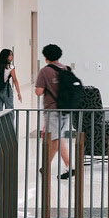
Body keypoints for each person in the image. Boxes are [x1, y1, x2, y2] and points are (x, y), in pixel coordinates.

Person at [35, 43, 78, 182]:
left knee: (57, 139)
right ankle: (45, 167)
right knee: (55, 138)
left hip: (52, 109)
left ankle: (70, 166)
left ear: (46, 57)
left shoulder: (45, 71)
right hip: (65, 109)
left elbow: (39, 91)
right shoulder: (65, 68)